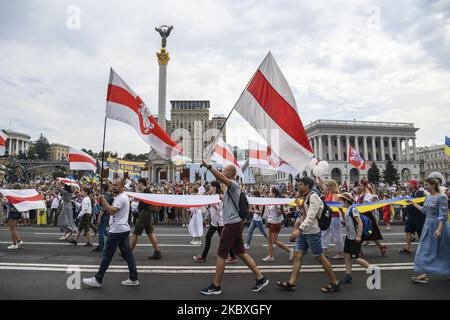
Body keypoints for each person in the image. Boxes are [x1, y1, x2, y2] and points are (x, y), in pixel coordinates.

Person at [199, 160, 269, 295]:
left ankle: (216, 285)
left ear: (230, 174)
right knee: (241, 252)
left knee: (220, 254)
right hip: (235, 223)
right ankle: (260, 278)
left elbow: (221, 177)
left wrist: (209, 167)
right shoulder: (230, 188)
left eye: (224, 171)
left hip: (231, 224)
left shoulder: (233, 184)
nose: (222, 173)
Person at [276, 177, 340, 293]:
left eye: (300, 184)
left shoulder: (313, 197)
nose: (298, 186)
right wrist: (297, 226)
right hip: (304, 232)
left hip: (312, 232)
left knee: (320, 257)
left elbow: (311, 217)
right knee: (297, 256)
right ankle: (292, 283)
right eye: (298, 184)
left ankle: (335, 283)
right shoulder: (305, 198)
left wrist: (298, 230)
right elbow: (303, 216)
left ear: (307, 186)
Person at [83, 178, 139, 288]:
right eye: (113, 184)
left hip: (117, 230)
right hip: (123, 229)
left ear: (122, 187)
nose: (113, 187)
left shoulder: (121, 198)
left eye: (116, 185)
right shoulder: (122, 197)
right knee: (128, 255)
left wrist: (103, 200)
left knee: (107, 256)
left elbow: (112, 211)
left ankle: (98, 279)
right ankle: (133, 278)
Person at [407, 178, 450, 284]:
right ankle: (424, 274)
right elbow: (425, 211)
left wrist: (439, 230)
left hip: (439, 226)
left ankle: (427, 274)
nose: (424, 187)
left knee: (444, 250)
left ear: (433, 185)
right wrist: (413, 203)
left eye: (426, 185)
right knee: (426, 249)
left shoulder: (442, 197)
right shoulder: (428, 197)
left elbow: (443, 215)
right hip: (428, 226)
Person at [337, 193, 372, 285]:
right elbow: (350, 222)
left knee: (355, 257)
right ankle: (348, 276)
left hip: (354, 237)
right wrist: (344, 222)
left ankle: (372, 269)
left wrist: (359, 236)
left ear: (346, 201)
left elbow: (360, 223)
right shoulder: (348, 210)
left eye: (342, 200)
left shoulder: (353, 209)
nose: (340, 202)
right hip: (349, 237)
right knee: (347, 255)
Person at [129, 178, 161, 260]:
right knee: (150, 233)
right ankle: (157, 252)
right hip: (146, 213)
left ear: (141, 183)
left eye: (138, 184)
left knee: (135, 233)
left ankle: (127, 252)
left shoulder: (146, 191)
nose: (137, 185)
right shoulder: (144, 192)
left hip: (144, 214)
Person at [193, 181, 224, 263]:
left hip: (218, 222)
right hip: (215, 222)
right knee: (223, 239)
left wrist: (213, 204)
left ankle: (203, 257)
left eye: (211, 186)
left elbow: (220, 209)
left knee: (221, 239)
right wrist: (207, 195)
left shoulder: (218, 196)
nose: (209, 188)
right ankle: (231, 255)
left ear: (214, 187)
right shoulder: (213, 196)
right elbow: (202, 199)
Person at [262, 187, 294, 262]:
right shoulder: (271, 201)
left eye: (270, 192)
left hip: (275, 222)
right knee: (269, 239)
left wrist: (279, 210)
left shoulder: (277, 201)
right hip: (270, 221)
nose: (268, 193)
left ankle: (290, 250)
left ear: (274, 193)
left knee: (274, 241)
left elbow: (280, 212)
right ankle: (270, 256)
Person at [318, 179, 344, 259]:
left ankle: (340, 252)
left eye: (327, 185)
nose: (325, 187)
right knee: (324, 234)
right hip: (328, 216)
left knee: (336, 235)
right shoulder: (328, 194)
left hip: (334, 217)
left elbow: (334, 205)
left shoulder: (335, 194)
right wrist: (318, 177)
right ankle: (324, 251)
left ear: (331, 186)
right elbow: (322, 184)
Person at [399, 180, 425, 254]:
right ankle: (407, 248)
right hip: (411, 216)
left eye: (409, 184)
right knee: (408, 231)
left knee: (421, 234)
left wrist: (409, 200)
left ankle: (425, 249)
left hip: (419, 217)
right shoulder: (411, 193)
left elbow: (419, 201)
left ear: (414, 185)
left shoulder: (419, 192)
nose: (408, 185)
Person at [92, 183, 113, 252]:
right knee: (104, 230)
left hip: (104, 215)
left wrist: (99, 217)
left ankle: (101, 246)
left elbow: (103, 209)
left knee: (100, 230)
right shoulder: (108, 195)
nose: (99, 189)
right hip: (107, 215)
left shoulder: (105, 196)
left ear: (103, 189)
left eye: (100, 188)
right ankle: (112, 238)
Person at [6, 184, 24, 249]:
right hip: (17, 212)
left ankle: (14, 244)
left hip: (13, 212)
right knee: (13, 228)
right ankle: (19, 241)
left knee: (12, 229)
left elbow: (10, 203)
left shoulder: (14, 195)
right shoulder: (20, 195)